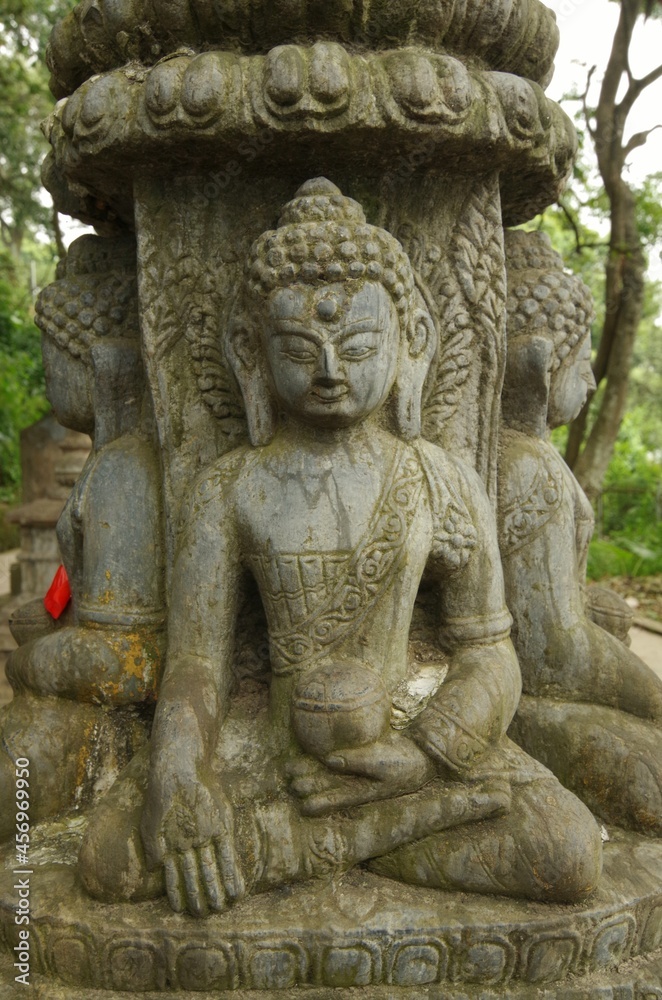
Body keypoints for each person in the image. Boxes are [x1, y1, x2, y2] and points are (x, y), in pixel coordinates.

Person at [79, 180, 601, 916]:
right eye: (299, 348)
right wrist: (179, 775)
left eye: (357, 346)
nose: (329, 370)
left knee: (565, 850)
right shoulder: (228, 489)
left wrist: (422, 754)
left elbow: (490, 650)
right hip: (269, 752)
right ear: (250, 353)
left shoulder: (437, 479)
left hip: (406, 749)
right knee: (111, 860)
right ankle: (356, 838)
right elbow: (198, 665)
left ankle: (295, 848)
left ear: (409, 342)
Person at [0, 235, 165, 840]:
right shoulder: (110, 460)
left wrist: (30, 662)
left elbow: (133, 664)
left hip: (103, 737)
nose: (48, 383)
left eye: (53, 364)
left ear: (96, 359)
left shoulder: (126, 471)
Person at [500, 228, 662, 836]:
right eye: (583, 362)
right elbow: (553, 653)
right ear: (540, 366)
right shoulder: (526, 469)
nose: (592, 381)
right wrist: (650, 692)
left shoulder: (531, 457)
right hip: (527, 696)